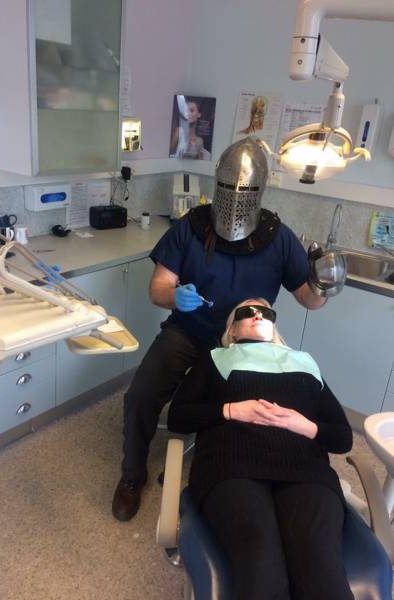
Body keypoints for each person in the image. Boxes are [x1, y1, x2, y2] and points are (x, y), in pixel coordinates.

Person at [112, 137, 345, 522]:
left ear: (260, 192)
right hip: (189, 331)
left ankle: (251, 475)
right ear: (217, 185)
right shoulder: (191, 227)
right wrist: (175, 297)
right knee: (141, 394)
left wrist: (324, 284)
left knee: (258, 411)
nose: (236, 200)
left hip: (248, 343)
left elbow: (308, 299)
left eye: (246, 192)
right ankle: (132, 475)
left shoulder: (277, 237)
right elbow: (158, 288)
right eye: (227, 189)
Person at [167, 298, 354, 600]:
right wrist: (230, 410)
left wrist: (304, 425)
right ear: (233, 330)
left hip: (305, 470)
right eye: (246, 312)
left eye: (265, 312)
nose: (257, 315)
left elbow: (343, 438)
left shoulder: (304, 363)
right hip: (231, 466)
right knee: (260, 557)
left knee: (318, 560)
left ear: (274, 327)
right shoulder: (215, 359)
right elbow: (178, 417)